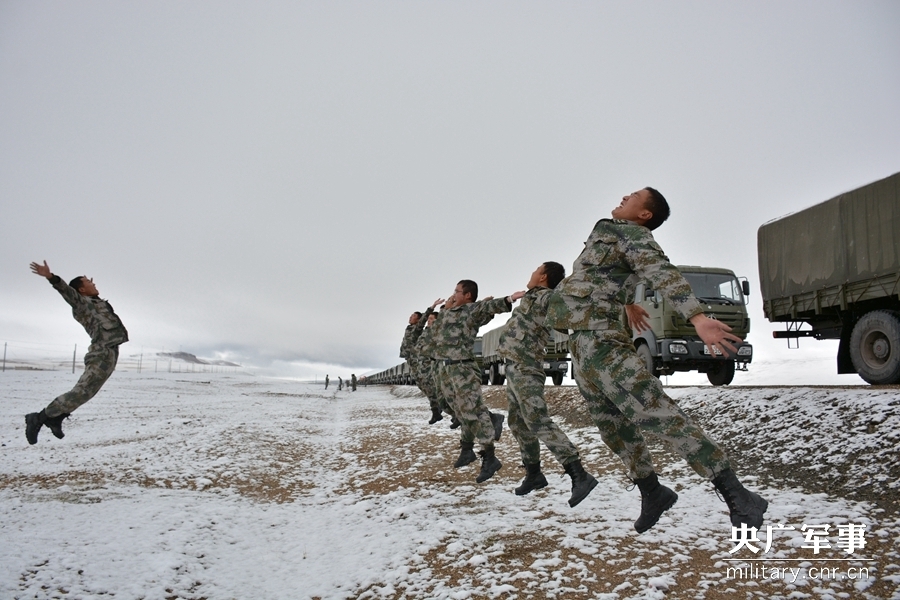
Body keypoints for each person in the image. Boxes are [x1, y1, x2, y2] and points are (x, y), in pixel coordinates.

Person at [546, 188, 768, 533]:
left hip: (604, 344)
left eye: (633, 196)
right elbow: (599, 280)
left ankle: (737, 493)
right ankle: (653, 492)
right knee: (613, 428)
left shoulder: (632, 233)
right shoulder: (610, 233)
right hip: (582, 344)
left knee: (657, 412)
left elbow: (660, 271)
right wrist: (628, 301)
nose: (623, 196)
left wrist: (696, 318)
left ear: (645, 215)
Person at [498, 262, 598, 507]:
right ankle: (534, 474)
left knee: (537, 420)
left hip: (526, 367)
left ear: (542, 277)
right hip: (514, 367)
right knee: (518, 422)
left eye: (535, 270)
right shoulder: (532, 297)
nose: (530, 273)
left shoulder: (545, 298)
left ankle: (579, 474)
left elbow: (567, 315)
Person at [25, 261, 129, 444]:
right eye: (88, 282)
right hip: (101, 352)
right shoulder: (82, 303)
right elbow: (67, 292)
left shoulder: (98, 303)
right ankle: (39, 418)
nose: (93, 283)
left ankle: (56, 418)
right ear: (81, 290)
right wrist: (51, 277)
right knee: (82, 391)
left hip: (111, 352)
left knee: (88, 392)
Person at [432, 280, 514, 483]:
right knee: (457, 410)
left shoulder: (471, 310)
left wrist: (509, 299)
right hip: (447, 368)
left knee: (472, 412)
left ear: (467, 295)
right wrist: (446, 307)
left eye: (457, 291)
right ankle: (472, 443)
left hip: (463, 369)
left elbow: (488, 306)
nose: (453, 294)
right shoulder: (450, 313)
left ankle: (490, 457)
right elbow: (438, 332)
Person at [400, 309, 444, 423]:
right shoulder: (413, 329)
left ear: (419, 319)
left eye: (413, 316)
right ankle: (436, 409)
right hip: (413, 359)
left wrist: (432, 307)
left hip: (422, 360)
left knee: (429, 384)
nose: (410, 317)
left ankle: (439, 407)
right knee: (423, 385)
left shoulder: (418, 329)